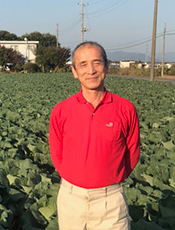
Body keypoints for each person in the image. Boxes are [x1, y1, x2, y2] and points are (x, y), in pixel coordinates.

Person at [48, 41, 140, 229]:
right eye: (83, 64)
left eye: (97, 63)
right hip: (71, 200)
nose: (91, 70)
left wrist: (108, 181)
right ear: (74, 71)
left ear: (106, 66)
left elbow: (132, 153)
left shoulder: (125, 109)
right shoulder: (61, 111)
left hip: (111, 201)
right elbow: (57, 155)